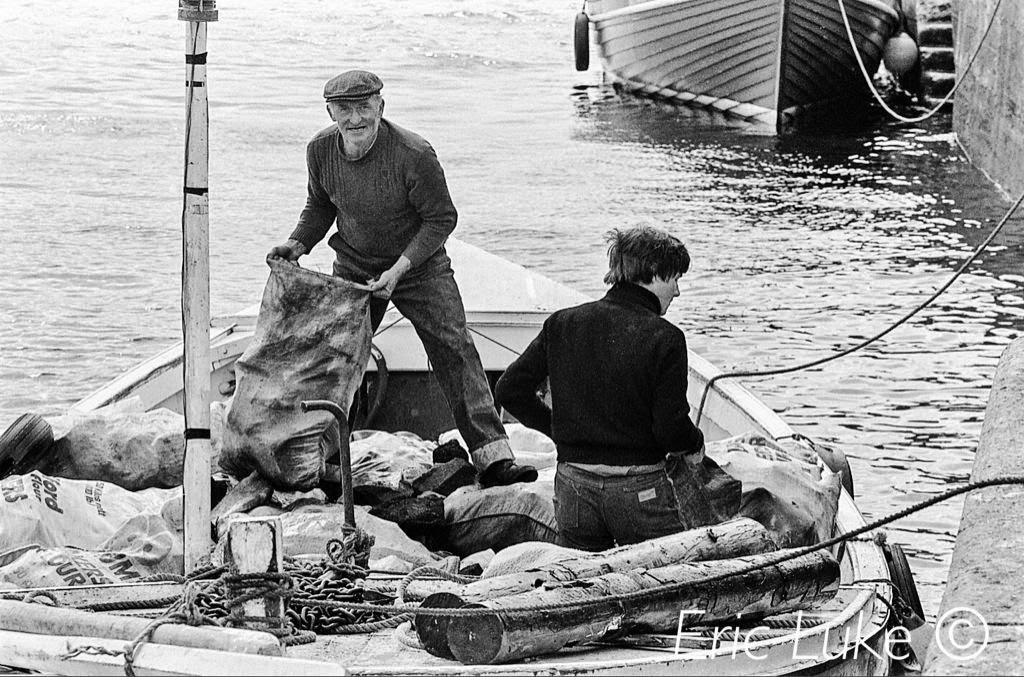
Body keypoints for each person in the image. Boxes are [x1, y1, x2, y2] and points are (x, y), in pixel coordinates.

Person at [269, 69, 536, 488]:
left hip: (420, 268)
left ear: (381, 107)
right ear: (330, 113)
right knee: (337, 357)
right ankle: (328, 458)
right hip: (355, 266)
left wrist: (399, 269)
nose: (355, 118)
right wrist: (297, 243)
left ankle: (493, 457)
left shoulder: (414, 153)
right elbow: (320, 205)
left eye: (364, 107)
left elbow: (441, 219)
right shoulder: (319, 150)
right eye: (344, 109)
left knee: (455, 348)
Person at [494, 225, 705, 550]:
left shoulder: (562, 323)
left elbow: (509, 390)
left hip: (574, 486)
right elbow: (670, 429)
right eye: (675, 278)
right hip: (638, 491)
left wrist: (560, 431)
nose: (677, 291)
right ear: (652, 273)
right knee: (668, 574)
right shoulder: (666, 338)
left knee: (581, 576)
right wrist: (695, 445)